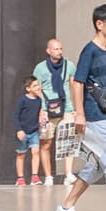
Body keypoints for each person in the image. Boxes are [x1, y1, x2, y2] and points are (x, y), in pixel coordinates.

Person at [55, 3, 106, 211]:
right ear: (99, 24)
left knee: (96, 164)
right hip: (96, 116)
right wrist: (79, 113)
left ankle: (66, 208)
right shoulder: (90, 50)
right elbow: (77, 81)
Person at [32, 37, 72, 186]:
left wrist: (76, 109)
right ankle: (48, 176)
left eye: (60, 48)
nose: (59, 51)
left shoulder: (69, 66)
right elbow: (35, 88)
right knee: (46, 143)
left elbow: (74, 86)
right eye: (56, 49)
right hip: (47, 110)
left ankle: (68, 174)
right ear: (48, 51)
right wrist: (40, 110)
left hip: (67, 108)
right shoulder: (40, 68)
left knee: (68, 141)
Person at [14, 77, 45, 184]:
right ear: (28, 89)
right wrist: (19, 130)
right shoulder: (22, 100)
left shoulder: (40, 100)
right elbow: (16, 116)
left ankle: (35, 176)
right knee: (21, 154)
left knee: (36, 151)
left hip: (34, 131)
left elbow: (44, 110)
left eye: (38, 84)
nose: (38, 87)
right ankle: (20, 178)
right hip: (23, 131)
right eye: (35, 86)